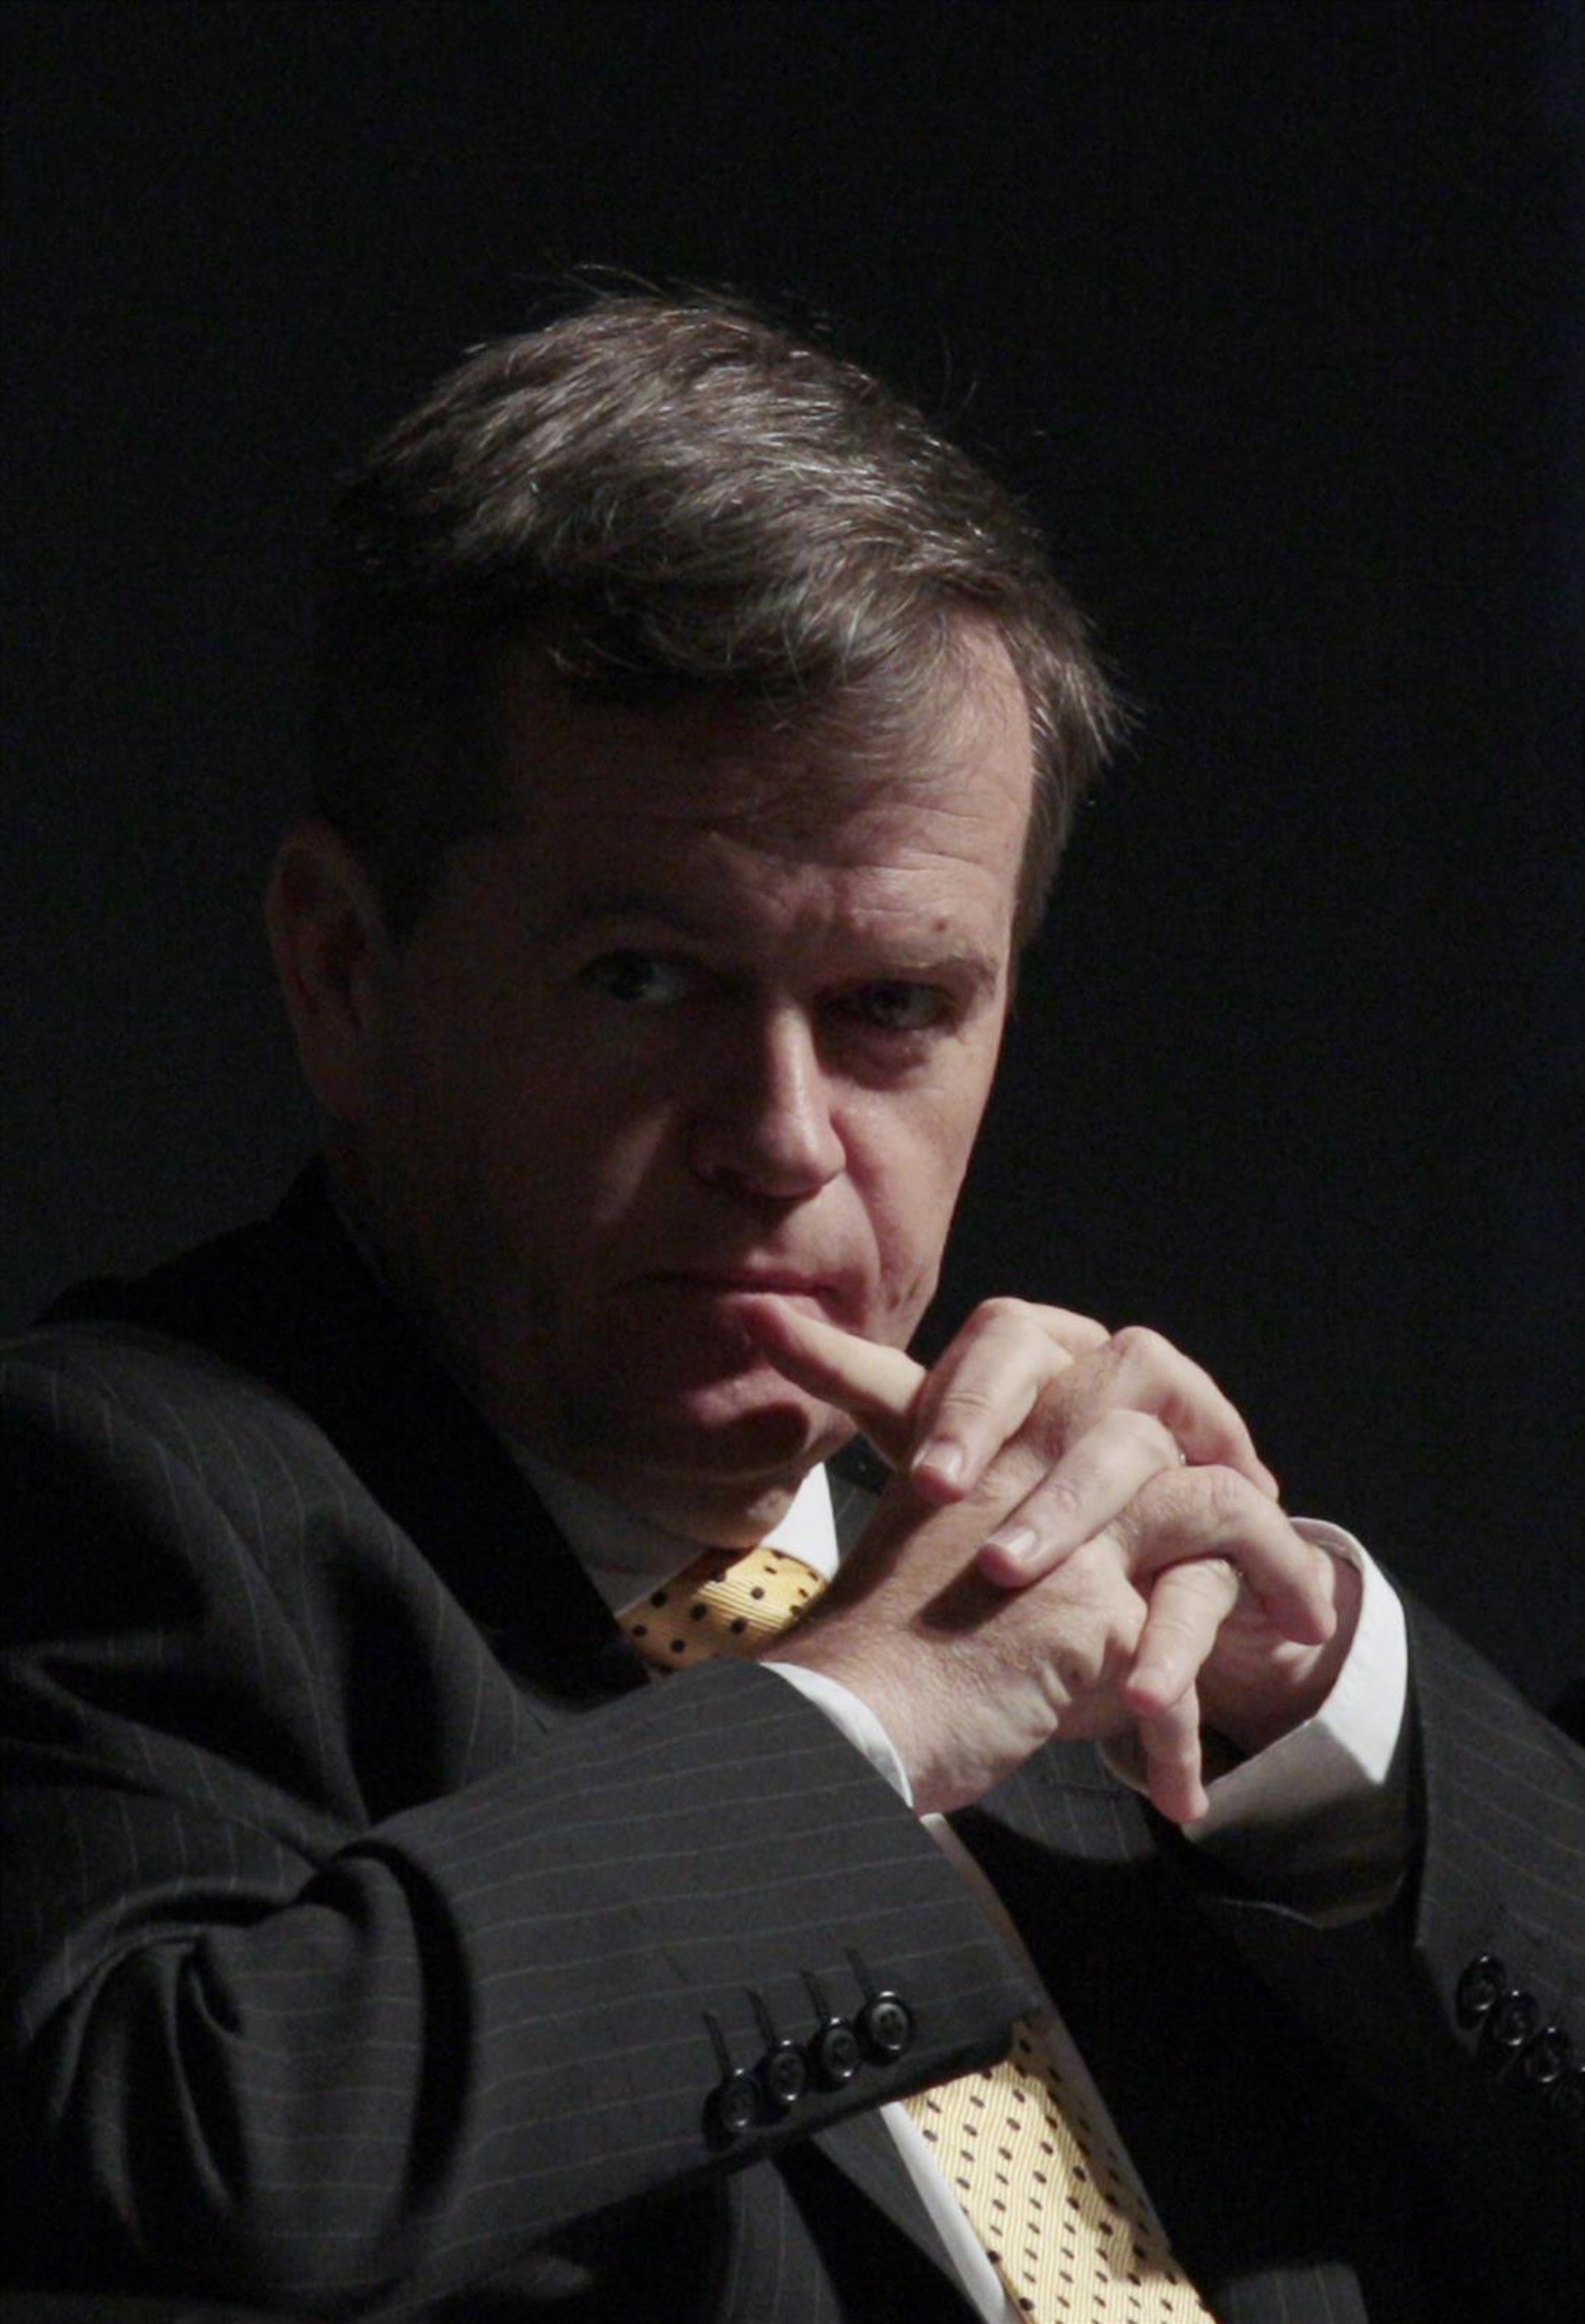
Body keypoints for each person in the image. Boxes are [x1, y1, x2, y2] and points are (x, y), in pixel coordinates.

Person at [2, 294, 1581, 2324]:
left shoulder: (1095, 1601)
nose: (781, 1138)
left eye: (893, 1007)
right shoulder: (114, 1492)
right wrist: (866, 1719)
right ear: (342, 968)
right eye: (646, 979)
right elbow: (177, 2178)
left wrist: (1331, 1717)